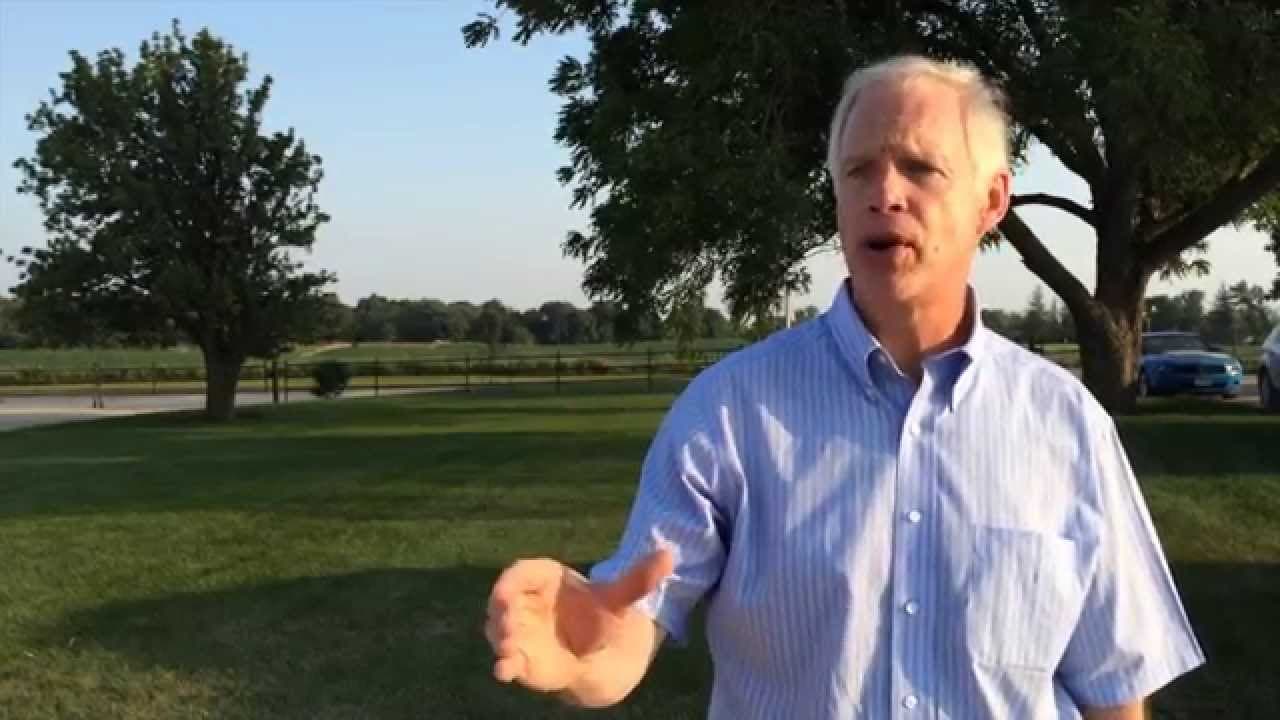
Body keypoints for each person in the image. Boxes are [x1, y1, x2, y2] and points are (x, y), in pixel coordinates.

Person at [483, 55, 1204, 719]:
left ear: (991, 201)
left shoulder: (1065, 424)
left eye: (920, 168)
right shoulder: (729, 412)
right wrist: (585, 653)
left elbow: (1114, 688)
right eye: (859, 171)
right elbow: (633, 617)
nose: (884, 194)